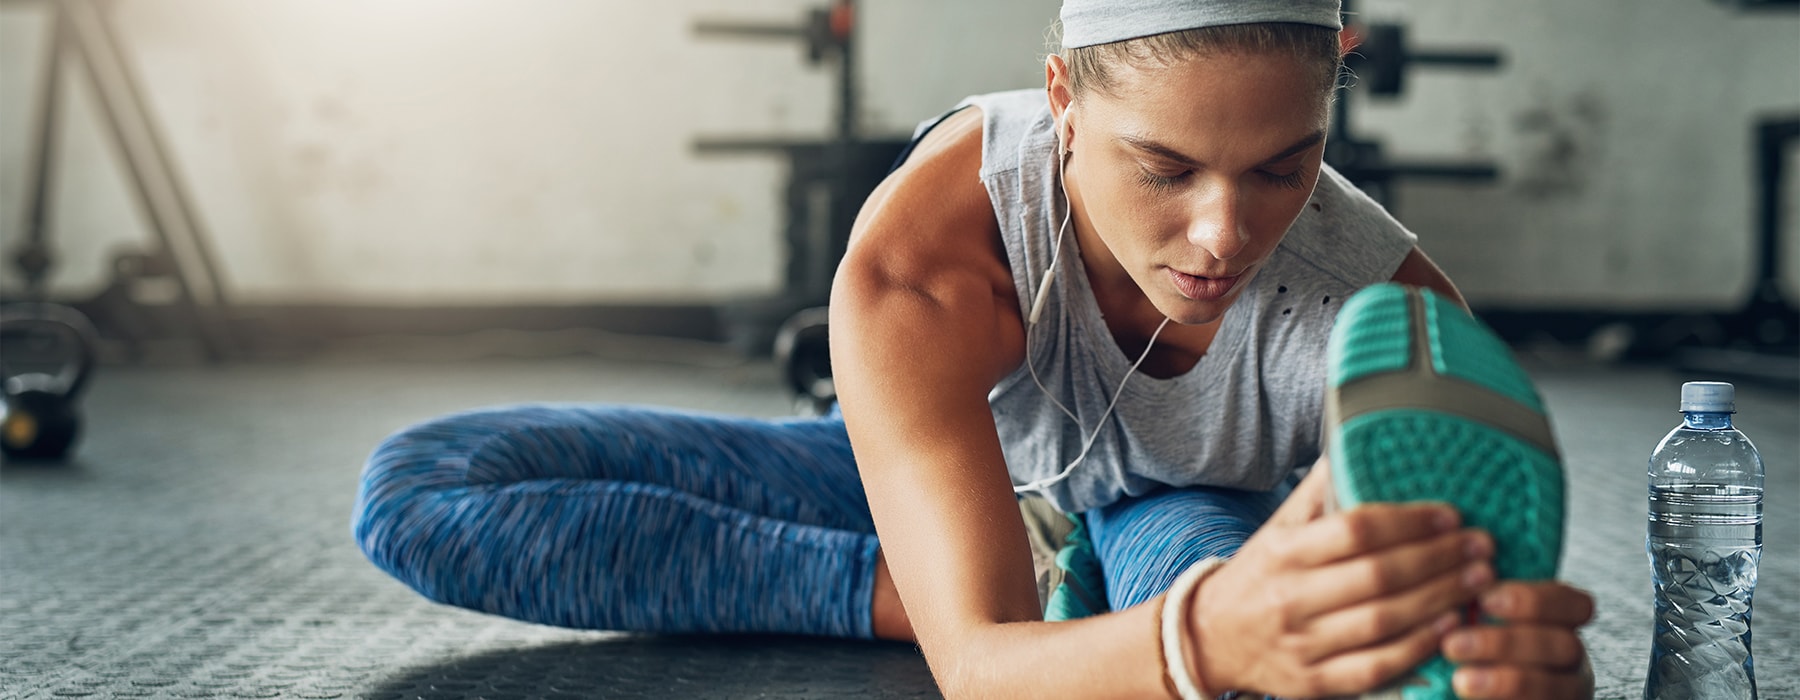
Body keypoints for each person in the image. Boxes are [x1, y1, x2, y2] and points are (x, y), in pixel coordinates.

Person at [352, 1, 1596, 698]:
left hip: (1187, 522)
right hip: (954, 486)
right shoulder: (929, 249)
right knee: (426, 495)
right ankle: (1020, 602)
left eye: (1284, 167)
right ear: (1062, 100)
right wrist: (1026, 630)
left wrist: (1490, 655)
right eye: (1163, 167)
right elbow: (979, 673)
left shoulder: (1379, 308)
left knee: (1238, 651)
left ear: (1334, 99)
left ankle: (1100, 615)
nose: (1224, 235)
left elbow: (1465, 600)